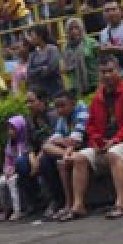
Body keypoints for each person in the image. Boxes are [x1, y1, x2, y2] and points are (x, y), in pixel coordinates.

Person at [60, 56, 123, 221]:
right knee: (79, 158)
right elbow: (91, 126)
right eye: (103, 72)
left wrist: (115, 140)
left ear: (118, 71)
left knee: (114, 153)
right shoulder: (97, 98)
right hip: (103, 144)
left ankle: (121, 203)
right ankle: (78, 205)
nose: (106, 75)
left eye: (110, 71)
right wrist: (96, 142)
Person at [38, 90, 88, 219]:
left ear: (73, 103)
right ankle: (67, 203)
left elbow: (76, 140)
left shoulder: (82, 111)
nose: (59, 110)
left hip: (86, 147)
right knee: (47, 150)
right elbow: (53, 139)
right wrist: (66, 147)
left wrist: (65, 143)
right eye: (57, 106)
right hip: (68, 150)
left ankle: (73, 204)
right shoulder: (62, 118)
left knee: (61, 160)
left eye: (62, 105)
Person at [0, 115, 31, 221]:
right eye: (9, 129)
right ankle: (6, 210)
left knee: (12, 181)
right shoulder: (9, 144)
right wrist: (6, 171)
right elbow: (7, 161)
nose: (10, 131)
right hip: (11, 171)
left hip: (22, 171)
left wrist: (13, 171)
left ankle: (17, 211)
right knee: (0, 182)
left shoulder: (25, 142)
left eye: (13, 128)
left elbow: (23, 159)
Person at [22, 24, 63, 99]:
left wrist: (36, 71)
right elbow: (29, 73)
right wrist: (42, 68)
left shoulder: (52, 49)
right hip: (40, 94)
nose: (30, 39)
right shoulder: (33, 54)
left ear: (40, 36)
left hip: (55, 90)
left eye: (32, 35)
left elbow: (52, 69)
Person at [60, 17, 98, 96]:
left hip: (94, 83)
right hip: (76, 87)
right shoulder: (66, 49)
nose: (74, 31)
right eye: (71, 29)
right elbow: (63, 69)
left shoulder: (91, 42)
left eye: (77, 28)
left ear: (82, 28)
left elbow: (101, 61)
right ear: (67, 32)